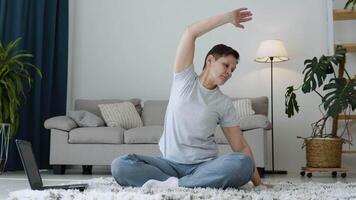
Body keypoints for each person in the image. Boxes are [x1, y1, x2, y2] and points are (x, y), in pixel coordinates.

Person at [111, 8, 271, 189]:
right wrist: (228, 18)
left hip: (203, 167)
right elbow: (190, 32)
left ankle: (174, 185)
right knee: (120, 165)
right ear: (210, 60)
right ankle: (184, 184)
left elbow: (240, 146)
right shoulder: (184, 79)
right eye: (226, 65)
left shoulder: (224, 103)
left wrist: (258, 183)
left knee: (243, 162)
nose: (229, 73)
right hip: (168, 165)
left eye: (232, 70)